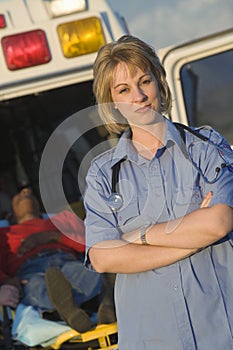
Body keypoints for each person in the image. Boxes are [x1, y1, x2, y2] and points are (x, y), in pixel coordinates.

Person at [83, 35, 233, 349]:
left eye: (144, 81)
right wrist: (190, 242)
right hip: (151, 337)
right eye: (123, 90)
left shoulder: (204, 146)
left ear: (159, 83)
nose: (138, 96)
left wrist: (137, 236)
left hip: (221, 329)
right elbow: (101, 256)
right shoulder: (102, 174)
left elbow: (219, 222)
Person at [0, 187, 104, 333]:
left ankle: (79, 311)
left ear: (40, 207)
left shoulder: (63, 218)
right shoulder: (4, 234)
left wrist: (53, 236)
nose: (26, 191)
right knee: (36, 286)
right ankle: (75, 311)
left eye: (31, 193)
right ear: (11, 216)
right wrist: (6, 280)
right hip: (30, 271)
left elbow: (92, 245)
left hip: (67, 261)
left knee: (86, 274)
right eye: (19, 194)